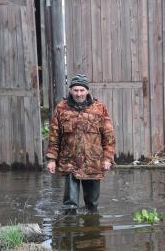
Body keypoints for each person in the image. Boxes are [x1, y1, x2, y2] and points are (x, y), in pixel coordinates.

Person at [46, 74, 116, 214]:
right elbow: (54, 135)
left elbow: (108, 136)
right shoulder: (61, 107)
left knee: (92, 205)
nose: (79, 94)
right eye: (76, 90)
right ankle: (70, 231)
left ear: (87, 91)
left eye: (82, 90)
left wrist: (108, 158)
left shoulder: (99, 108)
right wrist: (52, 159)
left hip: (93, 162)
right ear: (71, 91)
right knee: (70, 205)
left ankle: (91, 232)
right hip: (69, 161)